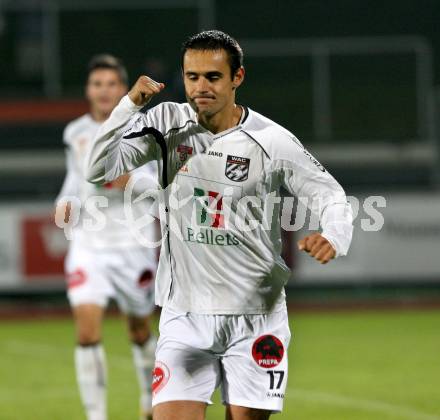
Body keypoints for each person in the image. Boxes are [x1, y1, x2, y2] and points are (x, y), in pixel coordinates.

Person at [86, 31, 353, 420]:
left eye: (212, 77)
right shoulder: (166, 122)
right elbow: (98, 168)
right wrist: (128, 106)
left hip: (255, 314)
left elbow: (329, 195)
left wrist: (333, 235)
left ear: (237, 78)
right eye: (192, 76)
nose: (201, 87)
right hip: (185, 313)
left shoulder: (271, 141)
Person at [55, 54, 158, 420]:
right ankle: (96, 416)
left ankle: (150, 402)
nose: (103, 91)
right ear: (88, 90)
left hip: (134, 243)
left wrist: (125, 179)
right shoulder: (75, 132)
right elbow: (74, 180)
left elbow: (154, 186)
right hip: (89, 244)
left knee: (139, 329)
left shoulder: (146, 127)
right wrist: (65, 203)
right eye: (97, 84)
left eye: (111, 84)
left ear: (124, 89)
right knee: (86, 331)